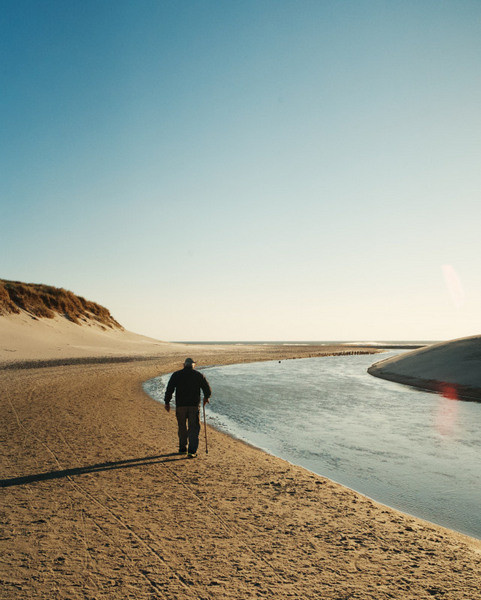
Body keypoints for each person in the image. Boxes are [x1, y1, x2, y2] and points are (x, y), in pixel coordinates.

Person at [164, 358, 212, 458]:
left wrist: (167, 402)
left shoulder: (176, 375)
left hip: (180, 406)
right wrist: (206, 397)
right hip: (193, 406)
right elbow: (207, 389)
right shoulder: (198, 375)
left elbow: (169, 389)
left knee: (182, 427)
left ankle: (182, 448)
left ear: (184, 365)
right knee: (193, 428)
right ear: (193, 365)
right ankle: (191, 451)